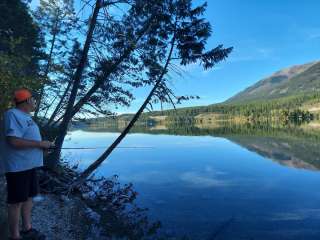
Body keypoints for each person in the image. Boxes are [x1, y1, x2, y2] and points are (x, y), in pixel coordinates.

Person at [3, 88, 54, 240]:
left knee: (29, 197)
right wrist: (40, 144)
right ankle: (15, 236)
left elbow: (28, 141)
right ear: (26, 101)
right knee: (16, 202)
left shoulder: (27, 117)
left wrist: (43, 149)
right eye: (33, 99)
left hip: (29, 166)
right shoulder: (12, 114)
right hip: (18, 167)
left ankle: (27, 229)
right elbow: (13, 141)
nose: (35, 102)